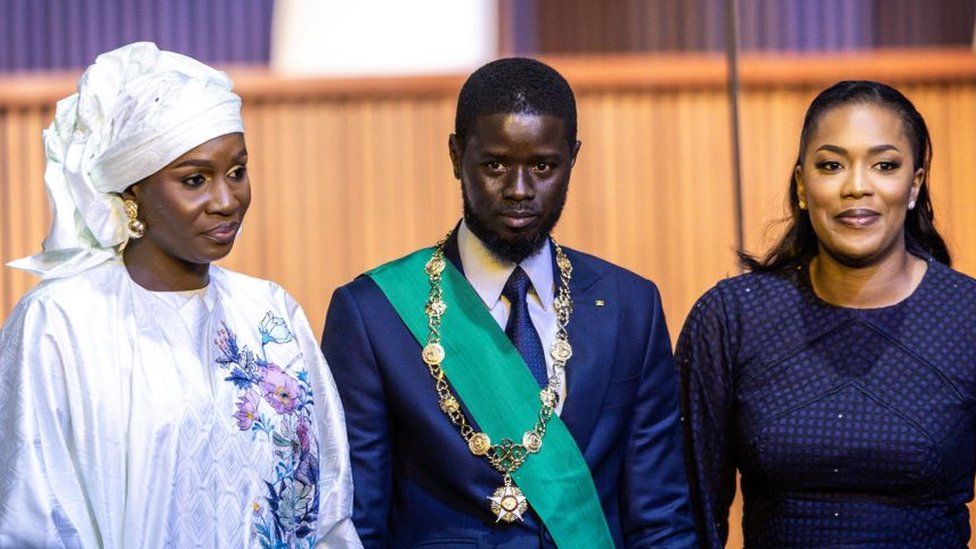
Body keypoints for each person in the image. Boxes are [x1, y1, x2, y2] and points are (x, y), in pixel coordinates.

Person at [321, 57, 696, 548]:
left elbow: (661, 517)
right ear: (456, 156)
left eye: (542, 166)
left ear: (572, 158)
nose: (519, 191)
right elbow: (357, 523)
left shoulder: (631, 306)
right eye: (495, 164)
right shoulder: (374, 314)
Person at [0, 42, 361, 548]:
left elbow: (328, 509)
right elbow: (32, 515)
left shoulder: (270, 315)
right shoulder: (60, 322)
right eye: (195, 180)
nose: (226, 200)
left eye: (237, 171)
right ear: (131, 195)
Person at [678, 80, 975, 547]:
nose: (856, 187)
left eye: (885, 165)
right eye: (831, 165)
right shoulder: (731, 318)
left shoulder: (966, 319)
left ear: (914, 183)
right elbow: (692, 513)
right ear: (802, 184)